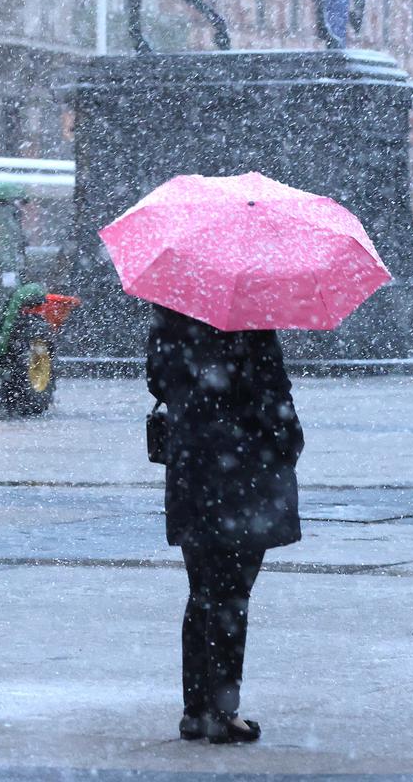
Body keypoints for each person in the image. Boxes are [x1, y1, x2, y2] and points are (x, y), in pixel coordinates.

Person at [146, 304, 303, 744]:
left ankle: (195, 709)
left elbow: (157, 381)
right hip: (242, 474)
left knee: (202, 591)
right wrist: (289, 441)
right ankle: (223, 712)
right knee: (233, 593)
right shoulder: (250, 316)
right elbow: (271, 398)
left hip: (191, 468)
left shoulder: (170, 310)